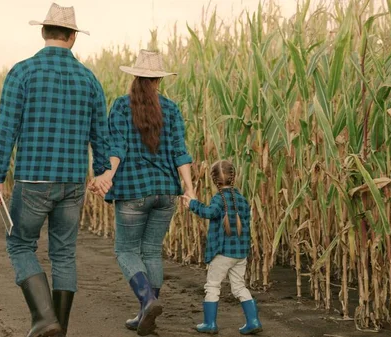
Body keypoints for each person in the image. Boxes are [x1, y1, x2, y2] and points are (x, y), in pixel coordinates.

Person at [0, 3, 112, 337]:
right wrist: (100, 172)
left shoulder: (22, 72)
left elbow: (5, 128)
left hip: (33, 179)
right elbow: (101, 135)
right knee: (64, 255)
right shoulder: (89, 79)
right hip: (72, 182)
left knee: (20, 245)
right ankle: (58, 328)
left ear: (44, 32)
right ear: (72, 37)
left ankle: (44, 319)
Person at [91, 50, 194, 336]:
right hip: (165, 192)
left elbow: (117, 148)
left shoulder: (123, 106)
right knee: (151, 251)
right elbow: (180, 153)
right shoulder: (171, 109)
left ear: (135, 75)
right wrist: (190, 188)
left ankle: (147, 301)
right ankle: (145, 312)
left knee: (125, 250)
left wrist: (106, 176)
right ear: (160, 79)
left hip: (133, 190)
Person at [181, 160, 263, 335]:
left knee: (212, 286)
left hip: (222, 253)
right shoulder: (242, 199)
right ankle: (253, 321)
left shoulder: (219, 199)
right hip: (240, 254)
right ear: (234, 177)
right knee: (239, 287)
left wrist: (193, 204)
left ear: (214, 180)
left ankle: (209, 324)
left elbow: (209, 213)